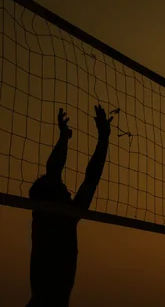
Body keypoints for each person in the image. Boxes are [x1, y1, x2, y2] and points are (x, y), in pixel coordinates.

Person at [27, 105, 113, 307]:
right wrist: (102, 138)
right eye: (62, 187)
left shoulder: (61, 217)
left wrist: (66, 137)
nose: (68, 190)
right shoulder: (52, 217)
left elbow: (88, 179)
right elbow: (80, 177)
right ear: (50, 198)